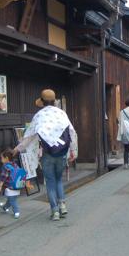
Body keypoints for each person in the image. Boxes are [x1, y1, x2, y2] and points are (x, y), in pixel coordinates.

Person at [13, 89, 77, 221]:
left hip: (47, 153)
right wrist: (73, 151)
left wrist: (17, 149)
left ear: (42, 101)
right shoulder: (62, 114)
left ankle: (55, 211)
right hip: (62, 152)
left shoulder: (39, 115)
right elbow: (71, 132)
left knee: (50, 181)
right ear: (54, 101)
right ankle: (63, 205)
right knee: (58, 179)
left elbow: (29, 136)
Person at [0, 149, 21, 219]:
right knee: (11, 198)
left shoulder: (5, 166)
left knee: (12, 199)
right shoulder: (15, 164)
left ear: (6, 158)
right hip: (17, 185)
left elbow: (3, 176)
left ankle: (16, 212)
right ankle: (5, 207)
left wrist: (0, 186)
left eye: (2, 158)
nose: (1, 159)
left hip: (10, 186)